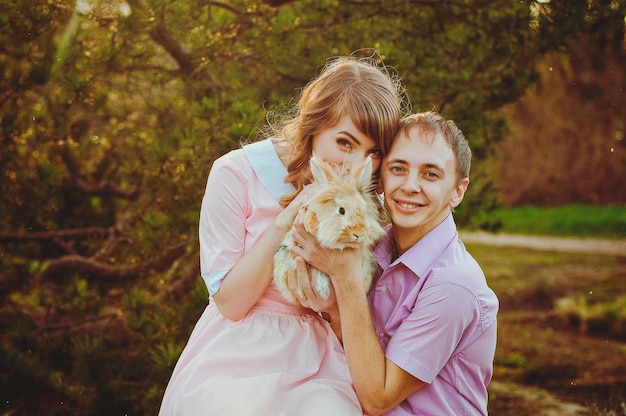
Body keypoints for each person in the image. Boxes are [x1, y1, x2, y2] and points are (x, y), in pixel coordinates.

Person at [158, 53, 405, 416]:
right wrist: (283, 221)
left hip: (318, 358)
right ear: (314, 123)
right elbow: (230, 303)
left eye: (373, 152)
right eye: (345, 142)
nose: (356, 165)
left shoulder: (363, 200)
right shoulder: (234, 173)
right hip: (238, 352)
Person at [289, 111, 499, 415]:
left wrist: (345, 281)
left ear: (458, 191)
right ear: (381, 176)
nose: (410, 185)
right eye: (398, 168)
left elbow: (378, 399)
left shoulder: (454, 286)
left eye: (431, 174)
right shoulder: (369, 248)